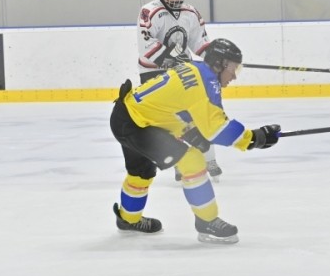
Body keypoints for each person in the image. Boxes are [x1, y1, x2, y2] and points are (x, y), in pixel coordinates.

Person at [110, 38, 281, 244]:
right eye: (233, 69)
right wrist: (255, 138)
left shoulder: (195, 68)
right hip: (138, 126)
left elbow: (177, 105)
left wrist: (190, 131)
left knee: (141, 172)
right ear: (219, 64)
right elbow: (218, 130)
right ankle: (207, 222)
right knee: (192, 161)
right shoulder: (206, 85)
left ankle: (128, 219)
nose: (235, 76)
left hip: (126, 114)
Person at [137, 0, 224, 181]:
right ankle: (180, 162)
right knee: (170, 120)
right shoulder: (150, 11)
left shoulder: (191, 13)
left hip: (181, 70)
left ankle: (210, 159)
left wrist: (214, 58)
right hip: (153, 72)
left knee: (196, 111)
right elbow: (146, 44)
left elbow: (199, 42)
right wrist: (171, 59)